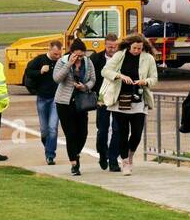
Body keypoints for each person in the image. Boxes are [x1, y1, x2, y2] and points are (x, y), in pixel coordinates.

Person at [100, 33, 158, 175]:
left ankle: (130, 154)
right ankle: (125, 161)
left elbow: (154, 78)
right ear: (129, 46)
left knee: (137, 133)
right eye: (134, 48)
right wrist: (119, 76)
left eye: (139, 48)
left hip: (138, 99)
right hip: (120, 99)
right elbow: (105, 71)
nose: (137, 51)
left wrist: (145, 82)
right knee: (122, 132)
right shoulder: (120, 55)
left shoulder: (148, 58)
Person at [53, 38, 95, 175]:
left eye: (81, 56)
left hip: (81, 102)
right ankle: (74, 163)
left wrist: (85, 86)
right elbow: (57, 78)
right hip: (64, 102)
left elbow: (93, 79)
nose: (79, 58)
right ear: (71, 53)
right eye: (76, 56)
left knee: (82, 133)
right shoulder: (62, 61)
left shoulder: (88, 63)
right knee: (70, 134)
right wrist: (69, 65)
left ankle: (75, 153)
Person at [23, 39, 63, 164]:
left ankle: (50, 155)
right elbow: (28, 72)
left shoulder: (61, 62)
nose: (58, 56)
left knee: (53, 127)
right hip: (42, 98)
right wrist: (40, 71)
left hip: (56, 99)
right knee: (44, 129)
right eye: (55, 54)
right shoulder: (40, 60)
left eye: (59, 54)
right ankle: (47, 146)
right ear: (49, 50)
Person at [90, 34, 121, 170]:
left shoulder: (121, 58)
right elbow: (91, 77)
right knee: (102, 129)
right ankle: (102, 153)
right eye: (109, 46)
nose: (112, 49)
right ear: (105, 45)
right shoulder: (96, 58)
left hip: (117, 96)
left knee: (117, 129)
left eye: (115, 46)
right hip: (102, 96)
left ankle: (113, 159)